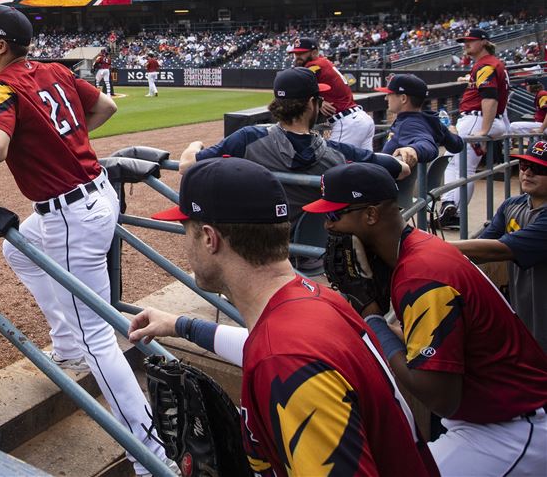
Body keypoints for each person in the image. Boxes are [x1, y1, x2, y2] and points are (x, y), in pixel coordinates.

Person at [0, 5, 167, 474]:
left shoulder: (0, 87)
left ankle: (151, 456)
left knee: (100, 336)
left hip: (73, 215)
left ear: (1, 45)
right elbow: (105, 107)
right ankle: (67, 343)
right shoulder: (55, 69)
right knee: (19, 249)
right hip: (94, 197)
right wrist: (59, 142)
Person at [130, 158, 438, 476]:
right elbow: (262, 345)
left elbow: (280, 356)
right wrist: (180, 325)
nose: (186, 243)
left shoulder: (286, 360)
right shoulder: (314, 301)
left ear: (210, 238)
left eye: (187, 231)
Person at [305, 162, 547, 475]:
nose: (328, 226)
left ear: (370, 215)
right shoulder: (416, 248)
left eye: (334, 215)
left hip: (509, 430)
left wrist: (372, 316)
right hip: (494, 415)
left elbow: (438, 395)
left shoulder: (422, 276)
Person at [172, 67, 410, 270]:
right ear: (311, 104)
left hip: (256, 254)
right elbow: (400, 169)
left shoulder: (247, 139)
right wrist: (406, 154)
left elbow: (186, 165)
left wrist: (195, 144)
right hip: (314, 256)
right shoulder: (338, 152)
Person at [448, 137, 547, 351]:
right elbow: (481, 246)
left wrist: (433, 247)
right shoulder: (512, 205)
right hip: (524, 308)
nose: (527, 173)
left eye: (538, 168)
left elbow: (498, 249)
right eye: (524, 165)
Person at [438, 27, 511, 227]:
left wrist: (483, 131)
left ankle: (451, 207)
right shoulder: (493, 64)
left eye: (471, 40)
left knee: (454, 164)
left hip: (477, 119)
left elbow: (489, 99)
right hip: (486, 119)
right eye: (464, 41)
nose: (466, 44)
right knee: (464, 168)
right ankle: (454, 212)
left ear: (484, 42)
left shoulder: (486, 65)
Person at [290, 37, 374, 149]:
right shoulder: (323, 62)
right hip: (359, 118)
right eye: (295, 53)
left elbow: (297, 87)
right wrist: (319, 99)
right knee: (364, 163)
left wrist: (318, 100)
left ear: (314, 52)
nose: (297, 57)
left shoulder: (313, 65)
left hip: (347, 122)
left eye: (302, 53)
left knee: (333, 161)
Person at [376, 73, 464, 166]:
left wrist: (414, 149)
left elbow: (427, 144)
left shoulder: (409, 124)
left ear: (403, 98)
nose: (386, 98)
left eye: (390, 94)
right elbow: (457, 146)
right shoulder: (430, 121)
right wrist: (453, 134)